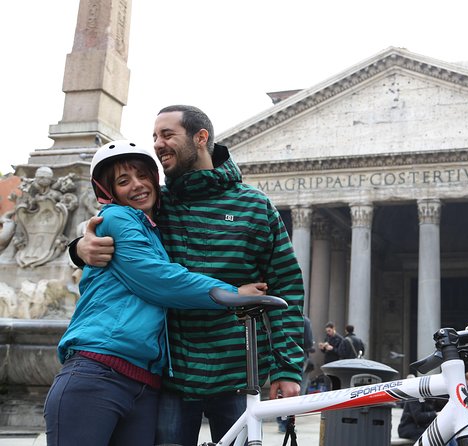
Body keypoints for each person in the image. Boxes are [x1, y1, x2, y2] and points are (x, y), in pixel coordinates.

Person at [72, 105, 305, 446]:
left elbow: (287, 288)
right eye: (154, 136)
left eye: (167, 135)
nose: (158, 143)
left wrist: (287, 368)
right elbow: (110, 228)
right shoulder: (153, 204)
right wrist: (78, 247)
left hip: (239, 373)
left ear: (200, 138)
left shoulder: (255, 206)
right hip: (173, 377)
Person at [45, 140, 266, 445]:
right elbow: (158, 279)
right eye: (123, 181)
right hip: (98, 370)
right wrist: (230, 294)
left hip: (144, 384)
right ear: (108, 192)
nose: (137, 185)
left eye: (143, 176)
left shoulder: (152, 228)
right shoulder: (117, 218)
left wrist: (78, 248)